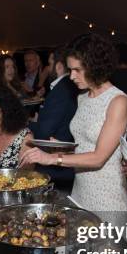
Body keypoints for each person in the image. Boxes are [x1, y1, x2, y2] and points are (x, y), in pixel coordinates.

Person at [20, 33, 127, 213]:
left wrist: (52, 158)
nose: (71, 76)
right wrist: (63, 149)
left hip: (107, 195)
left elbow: (98, 158)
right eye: (70, 69)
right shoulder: (83, 97)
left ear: (95, 66)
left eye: (77, 70)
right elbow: (87, 146)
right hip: (80, 189)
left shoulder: (118, 101)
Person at [28, 46, 79, 191]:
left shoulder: (61, 90)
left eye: (49, 64)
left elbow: (45, 131)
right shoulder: (67, 88)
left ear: (59, 66)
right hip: (64, 164)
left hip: (57, 170)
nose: (47, 68)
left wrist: (25, 125)